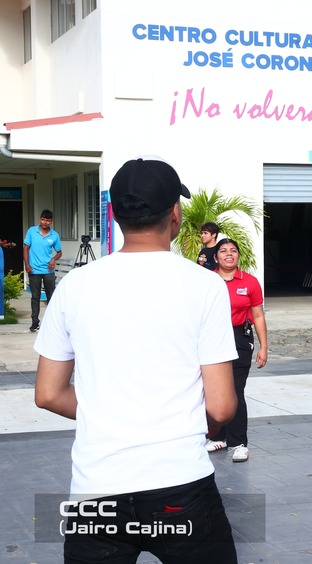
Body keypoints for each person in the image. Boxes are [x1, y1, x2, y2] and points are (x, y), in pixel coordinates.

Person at [33, 157, 238, 562]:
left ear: (114, 213)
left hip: (96, 490)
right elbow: (221, 405)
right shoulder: (205, 285)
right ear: (175, 214)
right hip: (180, 485)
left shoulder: (75, 285)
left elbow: (48, 394)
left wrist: (107, 410)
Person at [205, 238, 268, 463]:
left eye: (233, 251)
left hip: (239, 337)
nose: (228, 254)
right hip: (212, 337)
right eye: (223, 251)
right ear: (216, 257)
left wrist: (264, 347)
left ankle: (238, 443)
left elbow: (258, 316)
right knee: (212, 389)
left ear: (238, 256)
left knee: (235, 390)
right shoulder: (207, 281)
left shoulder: (249, 282)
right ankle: (218, 437)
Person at [23, 209, 63, 332]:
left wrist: (53, 260)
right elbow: (26, 248)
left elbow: (59, 252)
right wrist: (27, 264)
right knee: (35, 296)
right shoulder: (31, 231)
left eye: (48, 220)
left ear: (51, 221)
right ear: (40, 219)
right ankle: (35, 321)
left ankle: (52, 322)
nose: (45, 222)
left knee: (51, 296)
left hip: (48, 271)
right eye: (43, 219)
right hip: (34, 270)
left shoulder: (54, 235)